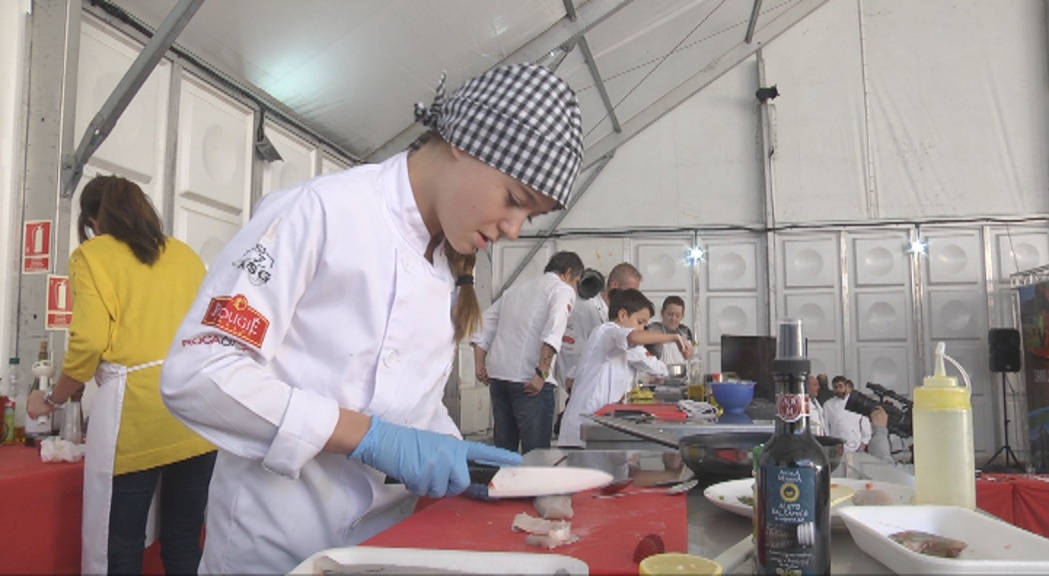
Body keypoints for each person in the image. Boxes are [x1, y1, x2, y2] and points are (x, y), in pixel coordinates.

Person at [158, 63, 584, 573]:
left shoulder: (446, 267)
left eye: (530, 215)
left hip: (385, 551)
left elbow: (413, 406)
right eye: (514, 200)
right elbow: (198, 375)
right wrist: (368, 436)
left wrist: (463, 458)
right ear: (466, 142)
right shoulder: (317, 213)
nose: (515, 229)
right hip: (272, 550)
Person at [26, 175, 217, 575]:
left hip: (136, 418)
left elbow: (88, 342)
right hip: (196, 414)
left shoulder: (93, 257)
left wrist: (52, 399)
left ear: (95, 219)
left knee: (119, 546)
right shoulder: (184, 255)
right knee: (184, 542)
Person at [471, 252, 583, 454]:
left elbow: (484, 324)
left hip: (499, 377)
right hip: (529, 381)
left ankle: (504, 485)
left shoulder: (515, 290)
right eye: (576, 281)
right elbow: (555, 327)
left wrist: (480, 364)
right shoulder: (562, 289)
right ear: (568, 273)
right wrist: (542, 372)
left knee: (504, 455)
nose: (575, 287)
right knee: (536, 456)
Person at [557, 289, 694, 448]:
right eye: (640, 322)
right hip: (581, 431)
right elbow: (633, 336)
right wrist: (674, 337)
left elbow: (659, 368)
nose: (642, 329)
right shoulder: (606, 331)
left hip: (602, 429)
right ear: (622, 315)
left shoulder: (631, 348)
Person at [559, 263, 643, 390]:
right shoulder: (585, 310)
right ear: (614, 285)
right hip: (587, 391)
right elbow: (570, 352)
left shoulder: (624, 315)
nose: (632, 298)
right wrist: (573, 383)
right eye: (629, 292)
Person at [823, 376, 872, 452]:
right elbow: (826, 427)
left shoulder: (856, 402)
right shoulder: (828, 405)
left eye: (840, 386)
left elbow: (865, 423)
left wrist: (864, 442)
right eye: (835, 387)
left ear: (846, 386)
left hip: (856, 446)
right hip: (837, 447)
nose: (838, 390)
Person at [644, 295, 695, 364]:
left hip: (681, 372)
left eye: (678, 315)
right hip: (657, 373)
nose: (673, 319)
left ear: (682, 316)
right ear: (662, 312)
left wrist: (690, 355)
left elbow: (690, 357)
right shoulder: (651, 329)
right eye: (670, 314)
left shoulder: (685, 331)